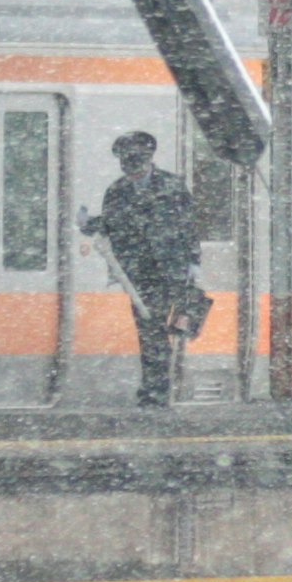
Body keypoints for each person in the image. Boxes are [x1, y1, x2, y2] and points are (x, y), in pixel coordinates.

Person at [81, 128, 204, 407]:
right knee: (151, 332)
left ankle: (159, 391)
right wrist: (88, 224)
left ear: (148, 159)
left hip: (171, 272)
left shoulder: (172, 186)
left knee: (166, 329)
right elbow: (111, 224)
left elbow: (189, 227)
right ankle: (157, 391)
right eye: (127, 164)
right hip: (139, 275)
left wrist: (194, 263)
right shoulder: (118, 190)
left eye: (136, 162)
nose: (132, 170)